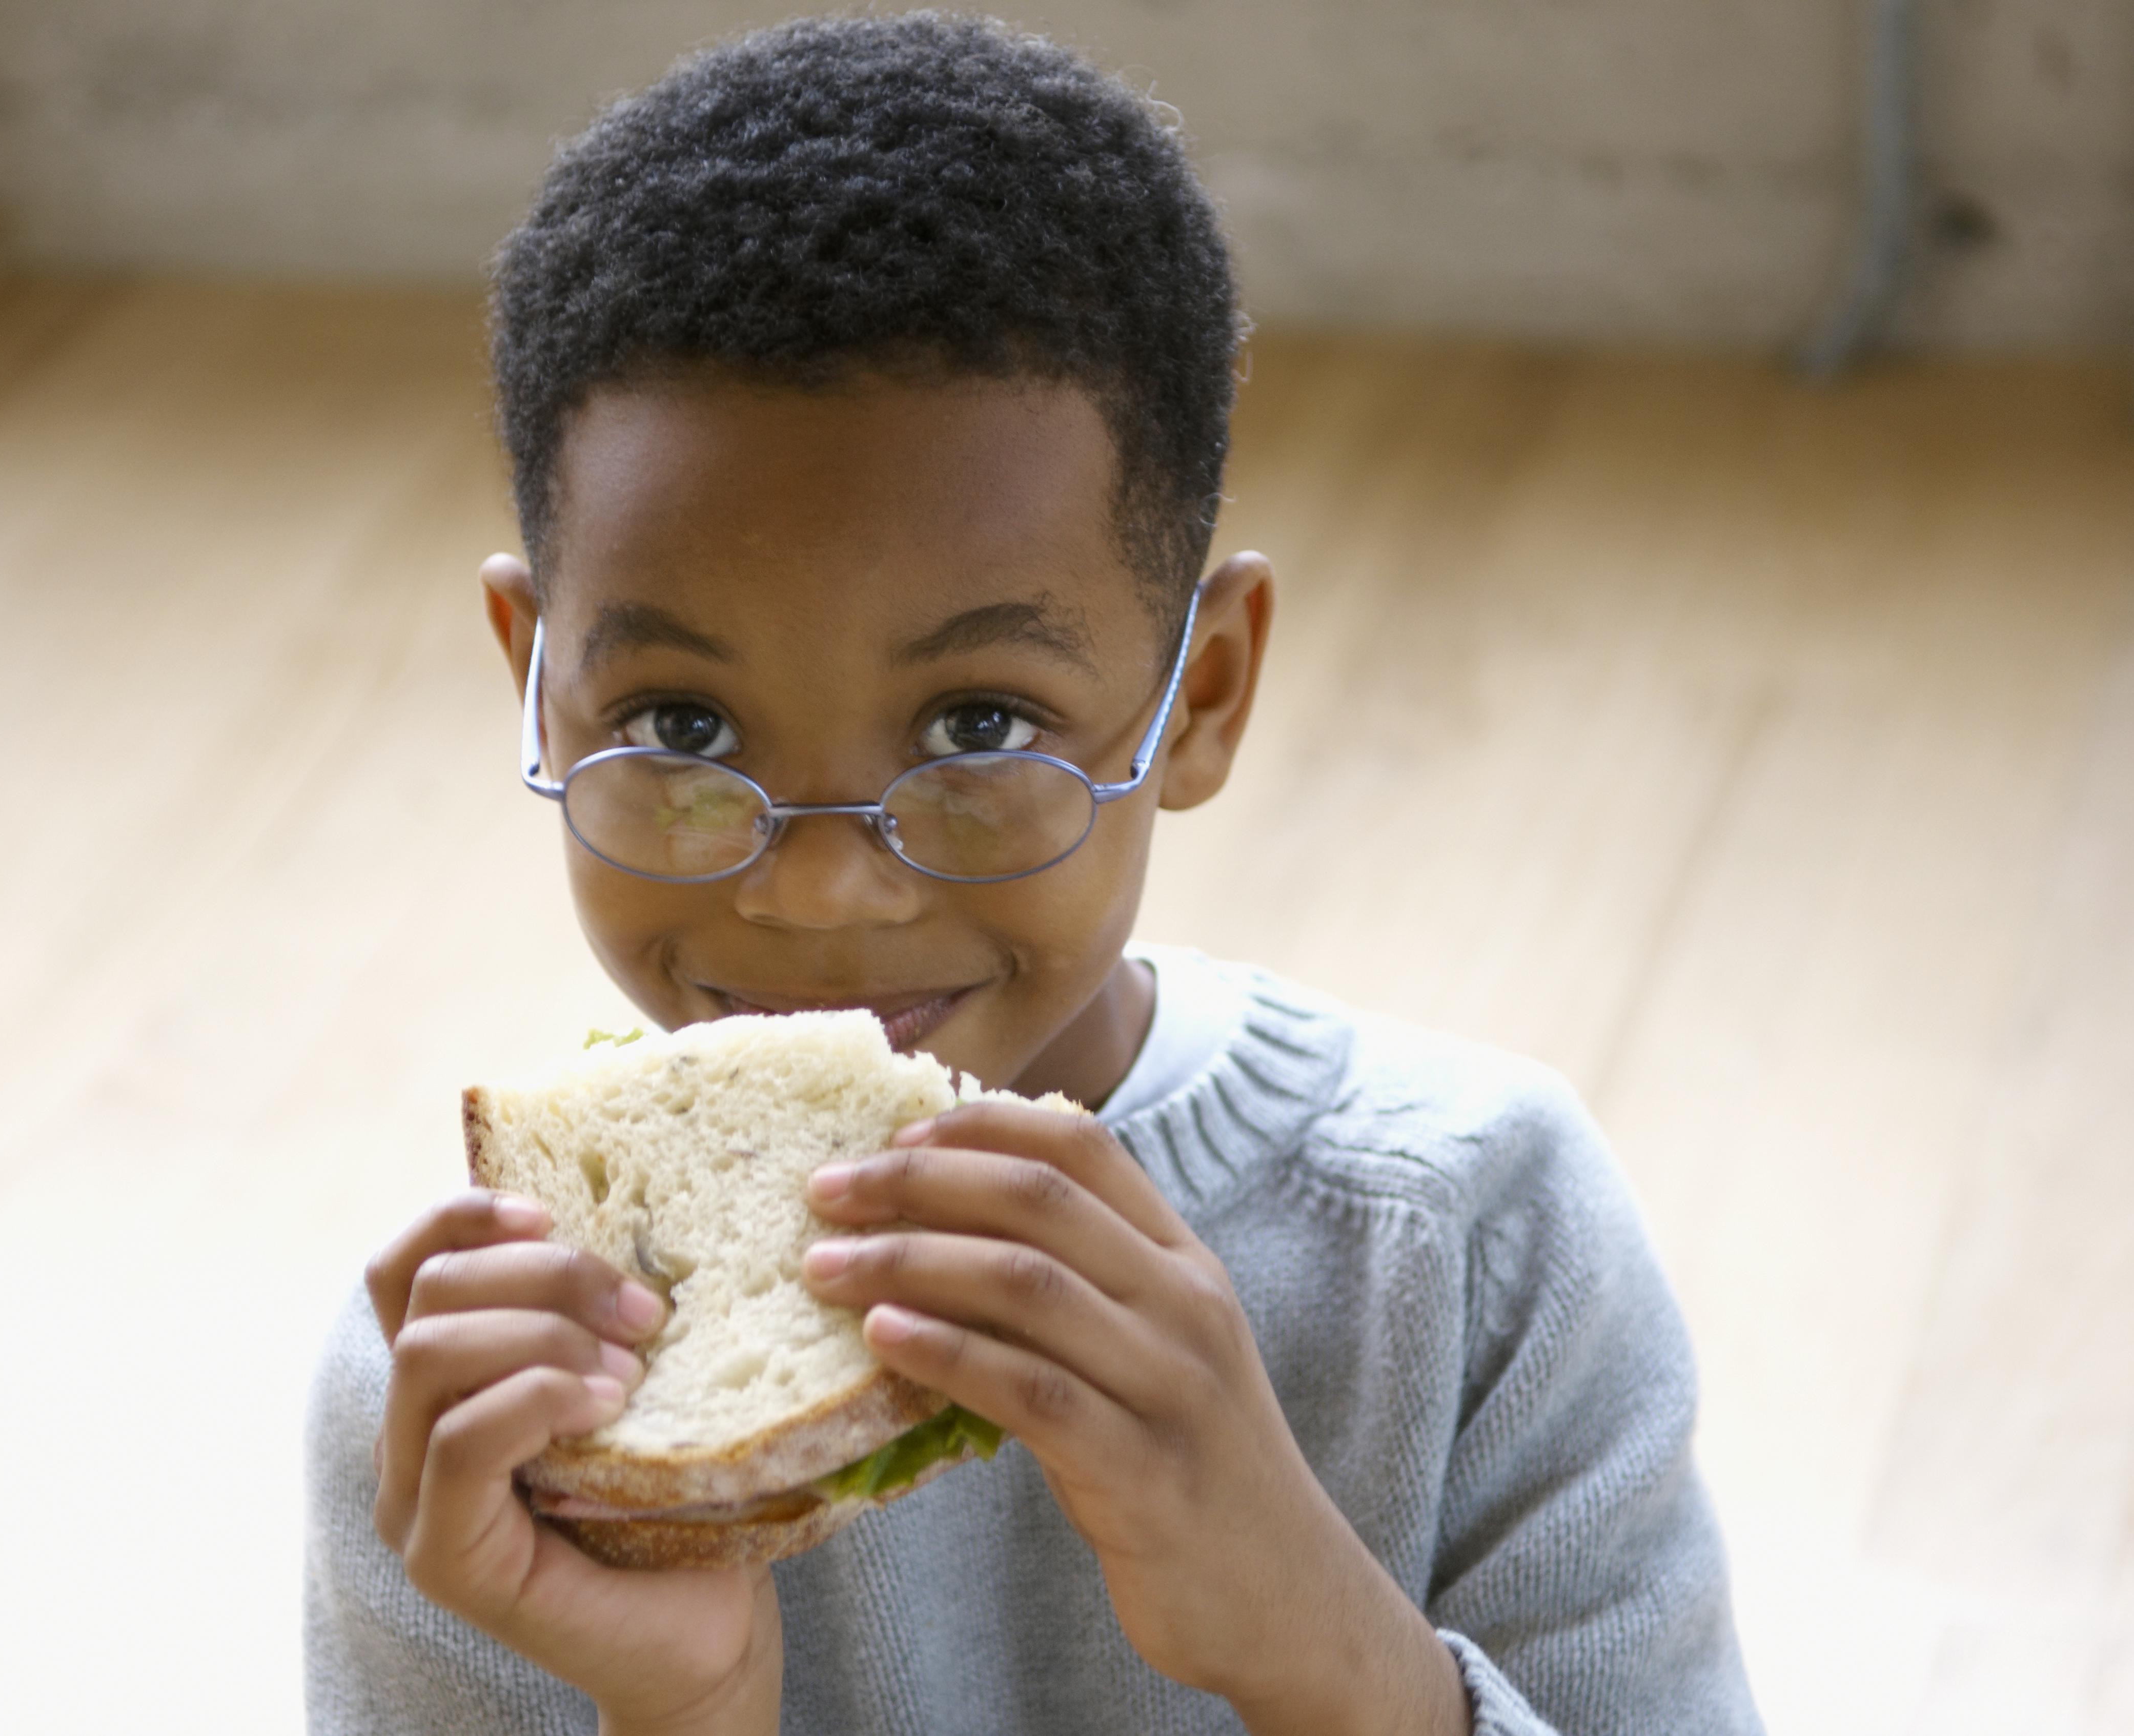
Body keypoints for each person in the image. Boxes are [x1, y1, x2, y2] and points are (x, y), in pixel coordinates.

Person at [303, 15, 1761, 1734]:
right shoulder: (487, 1384)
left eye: (978, 721)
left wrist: (1323, 1646)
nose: (821, 894)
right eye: (684, 723)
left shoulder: (1467, 1243)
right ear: (534, 680)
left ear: (1198, 691)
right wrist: (681, 1708)